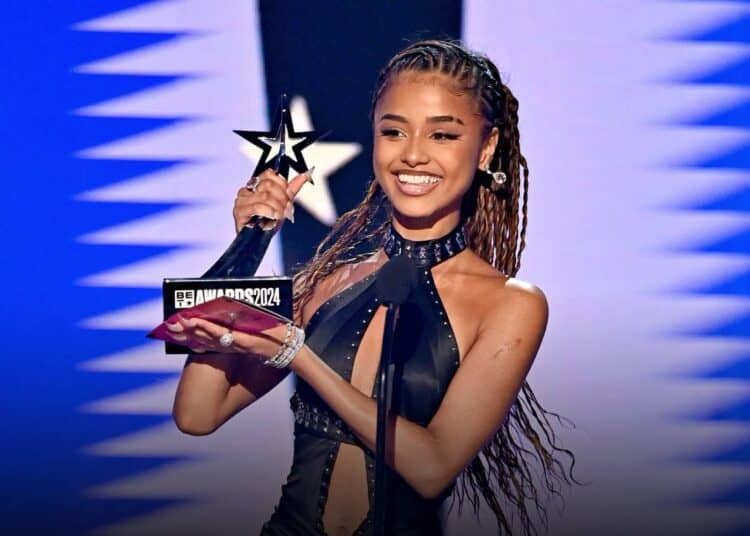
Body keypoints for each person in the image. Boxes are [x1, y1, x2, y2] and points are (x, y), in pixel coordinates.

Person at [170, 39, 576, 535]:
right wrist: (249, 245)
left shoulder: (510, 304)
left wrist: (298, 356)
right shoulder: (325, 282)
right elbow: (197, 413)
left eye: (442, 135)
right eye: (393, 131)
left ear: (486, 148)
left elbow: (433, 467)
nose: (413, 155)